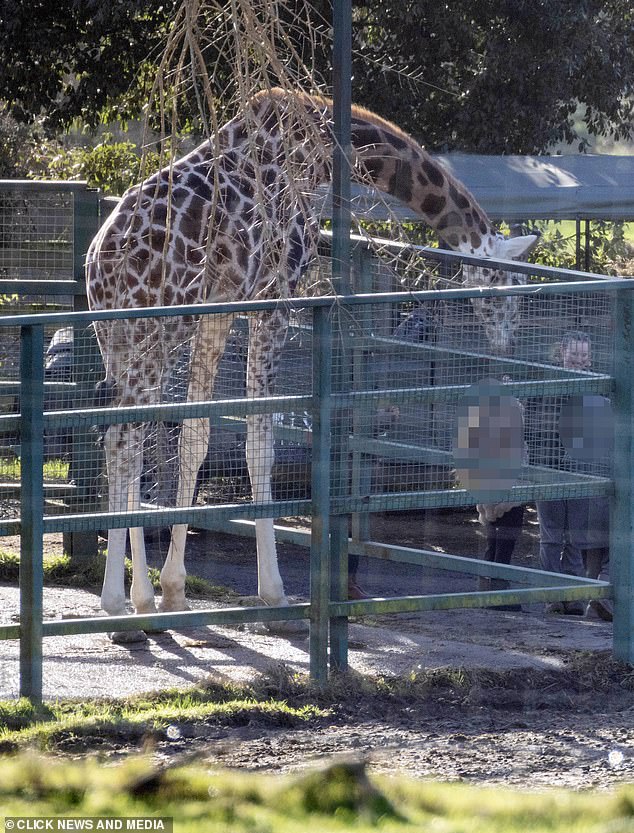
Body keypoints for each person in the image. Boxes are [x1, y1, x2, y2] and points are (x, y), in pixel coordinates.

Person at [529, 331, 593, 615]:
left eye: (584, 355)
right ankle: (552, 595)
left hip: (582, 469)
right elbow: (532, 422)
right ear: (562, 353)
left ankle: (575, 595)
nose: (578, 360)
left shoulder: (596, 385)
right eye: (574, 354)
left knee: (577, 535)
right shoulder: (546, 381)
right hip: (549, 466)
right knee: (551, 535)